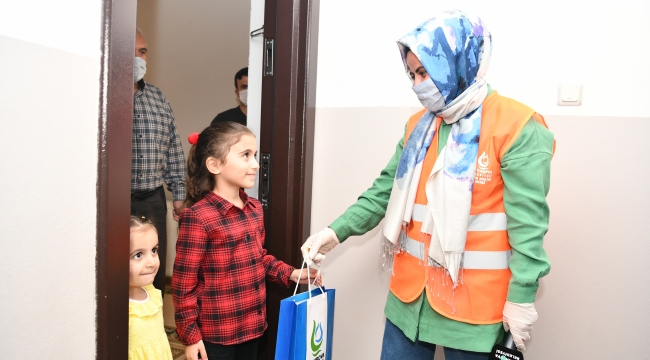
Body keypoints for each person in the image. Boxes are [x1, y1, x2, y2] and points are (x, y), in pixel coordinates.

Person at [301, 10, 554, 360]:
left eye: (426, 71)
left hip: (474, 311)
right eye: (413, 73)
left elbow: (529, 227)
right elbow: (385, 192)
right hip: (409, 302)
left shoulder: (517, 126)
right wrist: (334, 232)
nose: (418, 83)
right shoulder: (418, 126)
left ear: (458, 63)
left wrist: (522, 296)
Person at [172, 122, 320, 360]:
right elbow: (183, 285)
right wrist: (190, 337)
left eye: (255, 155)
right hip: (216, 334)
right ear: (214, 165)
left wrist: (292, 273)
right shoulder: (197, 217)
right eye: (245, 155)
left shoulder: (254, 209)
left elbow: (258, 258)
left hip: (252, 327)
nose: (256, 164)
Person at [132, 28, 186, 293]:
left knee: (152, 269)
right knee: (120, 269)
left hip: (153, 200)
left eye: (142, 52)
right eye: (131, 52)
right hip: (116, 200)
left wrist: (179, 193)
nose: (137, 58)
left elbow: (173, 148)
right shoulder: (103, 95)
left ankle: (152, 329)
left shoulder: (157, 98)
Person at [128, 215, 173, 360]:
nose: (151, 263)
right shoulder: (121, 308)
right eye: (138, 254)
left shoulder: (153, 293)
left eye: (154, 250)